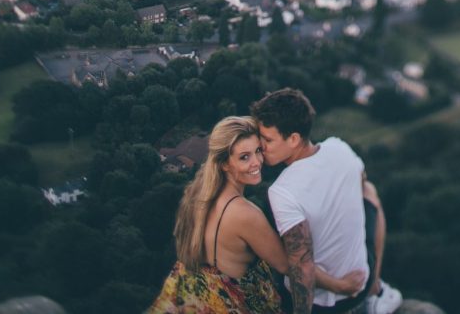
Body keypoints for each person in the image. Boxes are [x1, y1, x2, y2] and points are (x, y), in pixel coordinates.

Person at [149, 116, 366, 314]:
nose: (256, 162)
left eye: (258, 151)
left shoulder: (202, 196)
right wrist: (341, 286)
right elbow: (293, 267)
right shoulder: (245, 214)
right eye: (245, 157)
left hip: (196, 294)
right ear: (225, 163)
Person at [251, 89, 403, 314]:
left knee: (289, 256)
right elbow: (362, 182)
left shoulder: (282, 191)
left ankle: (370, 289)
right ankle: (375, 289)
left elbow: (301, 267)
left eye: (268, 140)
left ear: (293, 139)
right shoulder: (339, 147)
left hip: (324, 305)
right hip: (361, 279)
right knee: (369, 190)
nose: (261, 146)